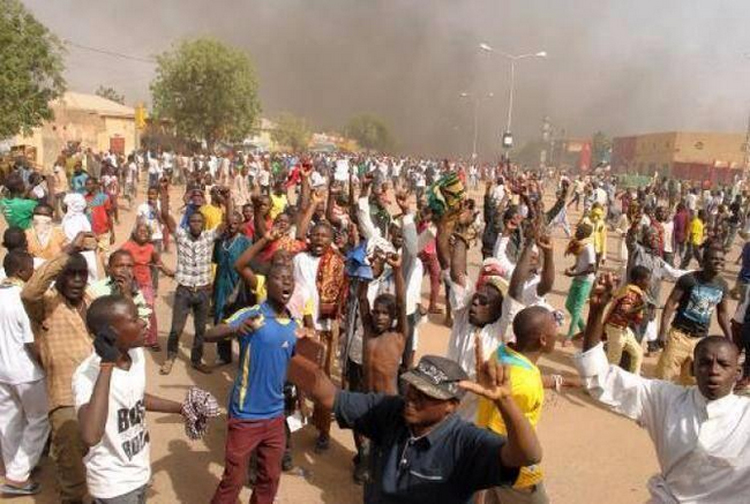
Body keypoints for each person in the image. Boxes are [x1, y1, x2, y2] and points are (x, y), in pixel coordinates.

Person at [575, 272, 750, 504]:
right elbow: (599, 379)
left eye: (723, 364)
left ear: (737, 374)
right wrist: (597, 313)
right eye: (705, 363)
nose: (714, 370)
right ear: (692, 368)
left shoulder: (745, 415)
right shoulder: (665, 398)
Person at [289, 348, 542, 504]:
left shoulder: (466, 443)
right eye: (413, 386)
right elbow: (329, 397)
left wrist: (505, 401)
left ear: (451, 406)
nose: (412, 397)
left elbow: (528, 455)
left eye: (427, 393)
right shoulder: (391, 411)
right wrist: (282, 348)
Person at [74, 295, 185, 503]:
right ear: (111, 333)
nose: (143, 322)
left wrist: (180, 408)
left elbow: (134, 398)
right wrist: (107, 364)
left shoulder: (135, 355)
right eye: (134, 319)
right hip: (113, 485)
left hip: (139, 472)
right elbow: (90, 435)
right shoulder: (86, 375)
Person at [204, 261, 299, 504]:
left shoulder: (293, 324)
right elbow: (209, 334)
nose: (287, 281)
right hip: (246, 415)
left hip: (276, 416)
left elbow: (295, 367)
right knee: (233, 481)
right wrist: (236, 328)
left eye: (290, 278)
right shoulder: (252, 314)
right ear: (267, 285)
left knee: (270, 478)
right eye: (280, 278)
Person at [21, 232, 96, 504]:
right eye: (70, 274)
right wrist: (66, 252)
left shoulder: (90, 301)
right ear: (59, 277)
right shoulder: (45, 305)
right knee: (73, 473)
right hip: (65, 399)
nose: (76, 280)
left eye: (81, 275)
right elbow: (29, 291)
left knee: (98, 464)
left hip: (97, 394)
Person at [159, 181, 230, 375]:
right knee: (176, 329)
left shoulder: (209, 236)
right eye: (193, 221)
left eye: (199, 222)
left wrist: (228, 200)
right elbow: (165, 215)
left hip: (204, 291)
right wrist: (164, 191)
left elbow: (227, 223)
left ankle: (196, 360)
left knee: (200, 330)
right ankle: (171, 357)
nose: (196, 224)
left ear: (203, 223)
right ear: (188, 223)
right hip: (184, 290)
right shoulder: (181, 236)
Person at [0, 250, 49, 496]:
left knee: (9, 420)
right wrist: (47, 365)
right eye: (31, 269)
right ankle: (18, 475)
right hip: (27, 371)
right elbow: (31, 342)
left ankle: (13, 468)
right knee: (39, 420)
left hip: (2, 371)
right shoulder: (22, 298)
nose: (34, 273)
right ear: (21, 271)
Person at [656, 245, 731, 384]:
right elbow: (670, 304)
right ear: (704, 261)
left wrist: (730, 339)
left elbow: (723, 314)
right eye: (714, 259)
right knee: (664, 379)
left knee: (690, 384)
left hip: (700, 341)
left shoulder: (723, 285)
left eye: (722, 260)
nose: (719, 262)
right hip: (679, 337)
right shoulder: (689, 279)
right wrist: (662, 332)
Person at [120, 223, 174, 351]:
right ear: (134, 233)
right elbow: (118, 260)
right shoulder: (127, 247)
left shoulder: (151, 248)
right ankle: (132, 338)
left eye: (146, 232)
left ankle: (151, 340)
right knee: (131, 310)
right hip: (131, 284)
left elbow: (159, 263)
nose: (143, 234)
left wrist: (170, 273)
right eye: (140, 231)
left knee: (149, 310)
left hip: (146, 284)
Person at [212, 210, 252, 366]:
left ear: (240, 224)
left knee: (240, 324)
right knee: (220, 321)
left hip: (238, 290)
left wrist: (235, 293)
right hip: (220, 287)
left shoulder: (245, 242)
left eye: (235, 223)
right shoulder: (220, 242)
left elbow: (247, 270)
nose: (231, 227)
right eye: (229, 224)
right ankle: (223, 355)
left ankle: (243, 359)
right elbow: (217, 262)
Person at [603, 265, 651, 375]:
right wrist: (641, 307)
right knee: (613, 361)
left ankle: (633, 380)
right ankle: (604, 384)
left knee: (638, 352)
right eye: (647, 280)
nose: (649, 283)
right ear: (639, 281)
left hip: (623, 329)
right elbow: (624, 312)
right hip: (616, 328)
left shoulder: (634, 291)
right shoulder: (631, 294)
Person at [563, 222, 596, 344]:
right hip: (578, 278)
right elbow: (582, 262)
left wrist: (574, 274)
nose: (576, 232)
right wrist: (573, 268)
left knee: (577, 308)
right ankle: (584, 329)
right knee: (569, 305)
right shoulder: (580, 245)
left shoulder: (589, 247)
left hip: (586, 281)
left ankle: (569, 336)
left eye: (579, 231)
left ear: (584, 233)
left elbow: (592, 268)